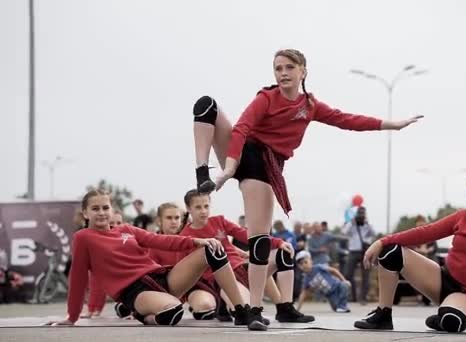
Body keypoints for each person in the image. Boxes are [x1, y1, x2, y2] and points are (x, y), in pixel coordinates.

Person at [190, 49, 422, 330]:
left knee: (261, 239)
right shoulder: (266, 98)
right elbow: (240, 129)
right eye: (278, 68)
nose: (283, 73)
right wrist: (228, 168)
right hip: (244, 156)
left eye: (289, 67)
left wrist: (390, 125)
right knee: (207, 106)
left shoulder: (310, 106)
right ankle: (201, 170)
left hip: (267, 165)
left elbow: (346, 120)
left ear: (303, 71)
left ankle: (280, 308)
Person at [353, 173, 466, 335]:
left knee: (451, 321)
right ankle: (383, 314)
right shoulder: (462, 217)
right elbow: (425, 232)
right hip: (443, 280)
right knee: (390, 251)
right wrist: (382, 241)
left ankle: (444, 317)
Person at [45, 189, 248, 327]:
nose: (101, 213)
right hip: (135, 292)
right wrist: (72, 317)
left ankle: (241, 310)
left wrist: (196, 241)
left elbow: (160, 240)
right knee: (173, 312)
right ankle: (141, 314)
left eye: (105, 208)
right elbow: (78, 278)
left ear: (112, 210)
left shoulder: (125, 229)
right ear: (85, 213)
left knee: (213, 247)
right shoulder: (83, 238)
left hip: (161, 277)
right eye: (95, 209)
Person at [179, 190, 314, 323]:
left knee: (283, 252)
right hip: (225, 280)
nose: (203, 211)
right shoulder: (185, 236)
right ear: (188, 208)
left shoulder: (219, 221)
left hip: (244, 268)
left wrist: (278, 242)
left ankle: (286, 308)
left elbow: (247, 235)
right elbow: (190, 269)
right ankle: (225, 305)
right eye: (198, 207)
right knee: (245, 313)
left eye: (206, 206)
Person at [81, 211, 126, 319]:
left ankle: (131, 311)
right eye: (112, 223)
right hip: (101, 267)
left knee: (126, 289)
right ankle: (93, 310)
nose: (115, 226)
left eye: (119, 223)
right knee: (95, 286)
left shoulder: (126, 237)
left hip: (121, 270)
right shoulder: (99, 236)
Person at [342, 206, 376, 304]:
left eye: (362, 214)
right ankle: (353, 296)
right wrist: (351, 223)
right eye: (359, 214)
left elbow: (374, 233)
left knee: (366, 275)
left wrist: (367, 223)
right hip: (353, 251)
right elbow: (344, 232)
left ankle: (363, 298)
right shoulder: (352, 224)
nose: (361, 216)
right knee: (348, 274)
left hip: (364, 251)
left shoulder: (367, 224)